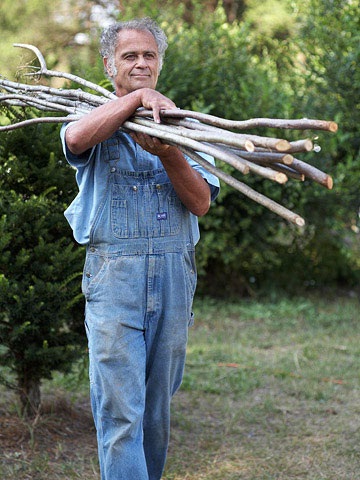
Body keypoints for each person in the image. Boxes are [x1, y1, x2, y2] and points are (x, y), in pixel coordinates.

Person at [60, 17, 219, 480]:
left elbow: (200, 203)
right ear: (109, 65)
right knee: (120, 409)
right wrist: (134, 101)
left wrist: (169, 151)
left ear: (160, 64)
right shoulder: (91, 115)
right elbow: (74, 139)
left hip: (174, 274)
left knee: (155, 411)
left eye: (149, 55)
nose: (141, 63)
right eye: (129, 56)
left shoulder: (187, 128)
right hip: (115, 278)